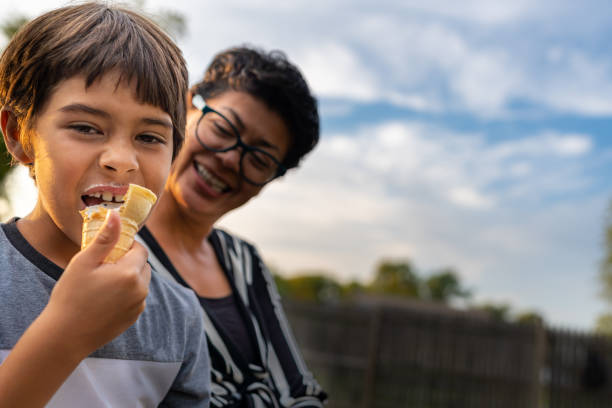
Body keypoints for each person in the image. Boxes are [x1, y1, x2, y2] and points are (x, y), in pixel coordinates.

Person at [0, 3, 210, 406]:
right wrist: (66, 332)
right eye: (85, 127)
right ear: (20, 134)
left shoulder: (179, 318)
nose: (122, 159)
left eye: (150, 137)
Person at [137, 46, 328, 407]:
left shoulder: (245, 261)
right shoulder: (108, 245)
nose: (228, 159)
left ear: (271, 179)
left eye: (259, 158)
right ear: (189, 106)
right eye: (224, 128)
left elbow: (298, 391)